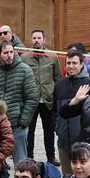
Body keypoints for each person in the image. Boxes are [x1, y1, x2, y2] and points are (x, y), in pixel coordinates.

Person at [0, 40, 40, 162]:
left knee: (20, 162)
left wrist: (23, 122)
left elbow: (32, 98)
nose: (9, 55)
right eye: (6, 52)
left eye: (11, 52)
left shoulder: (25, 70)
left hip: (17, 125)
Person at [23, 30, 60, 160]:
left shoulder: (52, 56)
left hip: (48, 100)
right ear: (31, 40)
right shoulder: (25, 58)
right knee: (30, 131)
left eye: (39, 38)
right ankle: (29, 157)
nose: (37, 40)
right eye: (34, 38)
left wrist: (55, 96)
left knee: (49, 130)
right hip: (31, 99)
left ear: (44, 40)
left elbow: (57, 78)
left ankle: (51, 157)